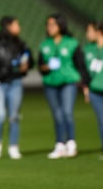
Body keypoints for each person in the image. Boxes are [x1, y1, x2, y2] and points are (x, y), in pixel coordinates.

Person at [38, 13, 89, 159]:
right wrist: (45, 67)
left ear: (61, 25)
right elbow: (40, 66)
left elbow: (80, 64)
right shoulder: (45, 45)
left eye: (52, 24)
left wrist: (84, 84)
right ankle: (60, 144)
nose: (49, 27)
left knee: (67, 112)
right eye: (48, 25)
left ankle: (71, 143)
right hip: (50, 83)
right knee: (57, 115)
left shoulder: (71, 43)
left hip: (68, 81)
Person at [0, 16, 34, 160]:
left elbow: (30, 60)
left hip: (15, 82)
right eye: (16, 24)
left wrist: (27, 65)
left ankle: (13, 147)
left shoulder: (21, 45)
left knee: (14, 116)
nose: (19, 27)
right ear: (8, 27)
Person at [83, 21, 103, 160]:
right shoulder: (88, 50)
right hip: (95, 91)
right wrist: (85, 88)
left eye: (90, 31)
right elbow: (84, 72)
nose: (87, 34)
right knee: (102, 120)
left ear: (99, 31)